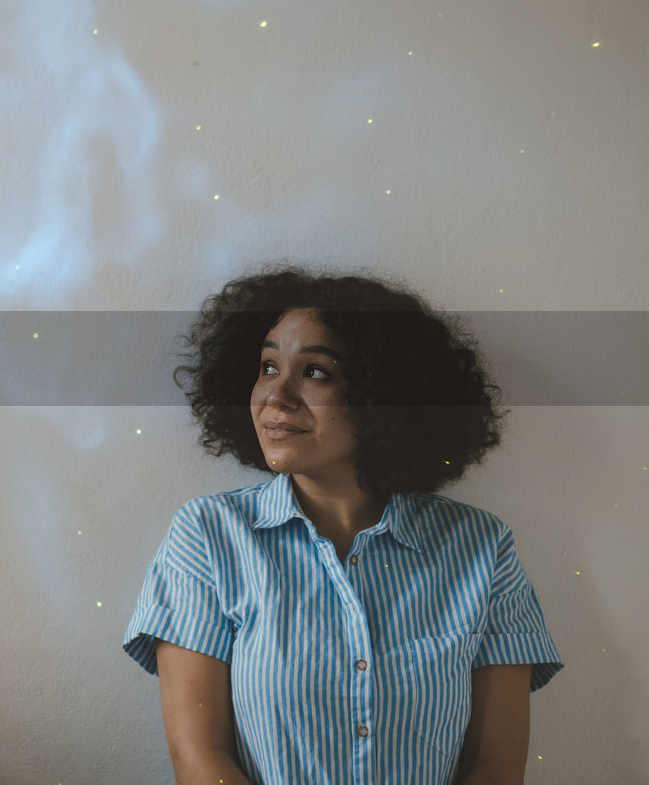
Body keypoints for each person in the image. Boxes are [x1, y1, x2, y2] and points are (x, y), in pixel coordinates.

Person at [123, 263, 563, 785]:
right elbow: (199, 760)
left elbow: (496, 767)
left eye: (315, 372)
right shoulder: (207, 537)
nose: (275, 396)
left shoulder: (482, 549)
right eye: (267, 367)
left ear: (385, 395)